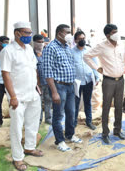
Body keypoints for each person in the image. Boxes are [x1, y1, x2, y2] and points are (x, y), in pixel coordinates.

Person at [0, 21, 43, 171]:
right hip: (17, 97)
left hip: (33, 94)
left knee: (33, 124)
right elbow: (5, 74)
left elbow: (34, 69)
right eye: (26, 33)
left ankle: (30, 147)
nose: (29, 36)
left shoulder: (29, 49)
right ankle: (17, 158)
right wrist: (12, 96)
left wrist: (37, 86)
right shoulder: (8, 51)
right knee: (17, 129)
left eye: (30, 33)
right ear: (17, 33)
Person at [84, 24, 125, 144]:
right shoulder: (101, 46)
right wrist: (97, 67)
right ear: (108, 35)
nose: (116, 34)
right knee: (106, 107)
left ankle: (117, 131)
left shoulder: (121, 45)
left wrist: (122, 69)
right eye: (114, 32)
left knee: (119, 106)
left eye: (117, 31)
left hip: (120, 80)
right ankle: (105, 133)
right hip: (108, 81)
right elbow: (86, 56)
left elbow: (124, 58)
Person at [43, 24, 82, 152]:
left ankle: (70, 135)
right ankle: (60, 141)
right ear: (60, 33)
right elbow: (48, 72)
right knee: (58, 115)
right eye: (67, 32)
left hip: (70, 86)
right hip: (59, 86)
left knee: (71, 113)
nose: (70, 35)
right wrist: (54, 92)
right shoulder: (51, 48)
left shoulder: (67, 47)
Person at [72, 30, 99, 130]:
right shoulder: (71, 52)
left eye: (83, 38)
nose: (82, 40)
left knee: (88, 102)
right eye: (79, 39)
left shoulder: (89, 51)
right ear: (75, 40)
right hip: (76, 82)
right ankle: (73, 122)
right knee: (75, 103)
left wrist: (97, 77)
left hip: (88, 80)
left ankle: (89, 121)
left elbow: (94, 64)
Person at [33, 34, 52, 125]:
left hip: (47, 81)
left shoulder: (46, 53)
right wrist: (37, 83)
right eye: (39, 42)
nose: (41, 44)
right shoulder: (31, 54)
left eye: (42, 42)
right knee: (38, 102)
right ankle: (39, 119)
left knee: (48, 100)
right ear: (34, 43)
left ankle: (48, 118)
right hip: (37, 83)